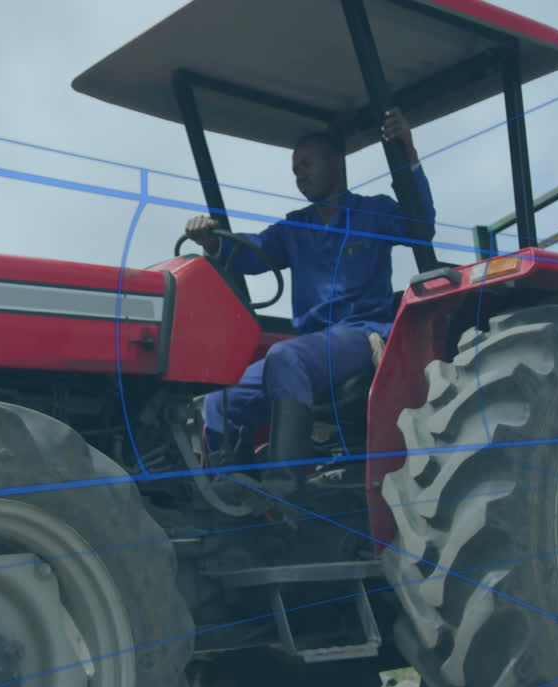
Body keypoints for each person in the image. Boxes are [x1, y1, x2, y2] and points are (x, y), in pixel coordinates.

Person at [183, 107, 436, 498]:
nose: (298, 175)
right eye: (294, 169)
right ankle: (232, 492)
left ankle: (285, 489)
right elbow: (251, 254)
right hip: (314, 343)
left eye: (306, 164)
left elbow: (420, 226)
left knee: (288, 358)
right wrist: (213, 241)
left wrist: (408, 152)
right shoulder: (293, 227)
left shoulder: (374, 212)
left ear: (336, 162)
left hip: (364, 334)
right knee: (221, 400)